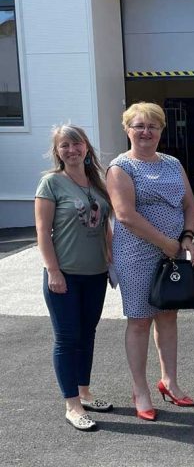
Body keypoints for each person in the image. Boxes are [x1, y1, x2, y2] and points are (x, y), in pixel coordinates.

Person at [107, 102, 194, 422]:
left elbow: (190, 205)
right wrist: (166, 243)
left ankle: (169, 381)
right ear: (127, 130)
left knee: (168, 316)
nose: (146, 132)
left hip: (173, 251)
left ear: (162, 130)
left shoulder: (173, 163)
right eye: (139, 126)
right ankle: (140, 390)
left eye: (153, 126)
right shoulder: (121, 167)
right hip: (136, 254)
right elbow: (125, 215)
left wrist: (187, 237)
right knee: (139, 321)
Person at [35, 124, 113, 431]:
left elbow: (105, 225)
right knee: (67, 339)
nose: (72, 150)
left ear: (86, 148)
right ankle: (72, 405)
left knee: (87, 334)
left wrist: (111, 259)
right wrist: (53, 271)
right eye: (65, 145)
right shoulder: (51, 183)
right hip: (64, 275)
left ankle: (84, 392)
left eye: (77, 144)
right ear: (57, 151)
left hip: (96, 274)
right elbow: (43, 232)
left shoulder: (97, 182)